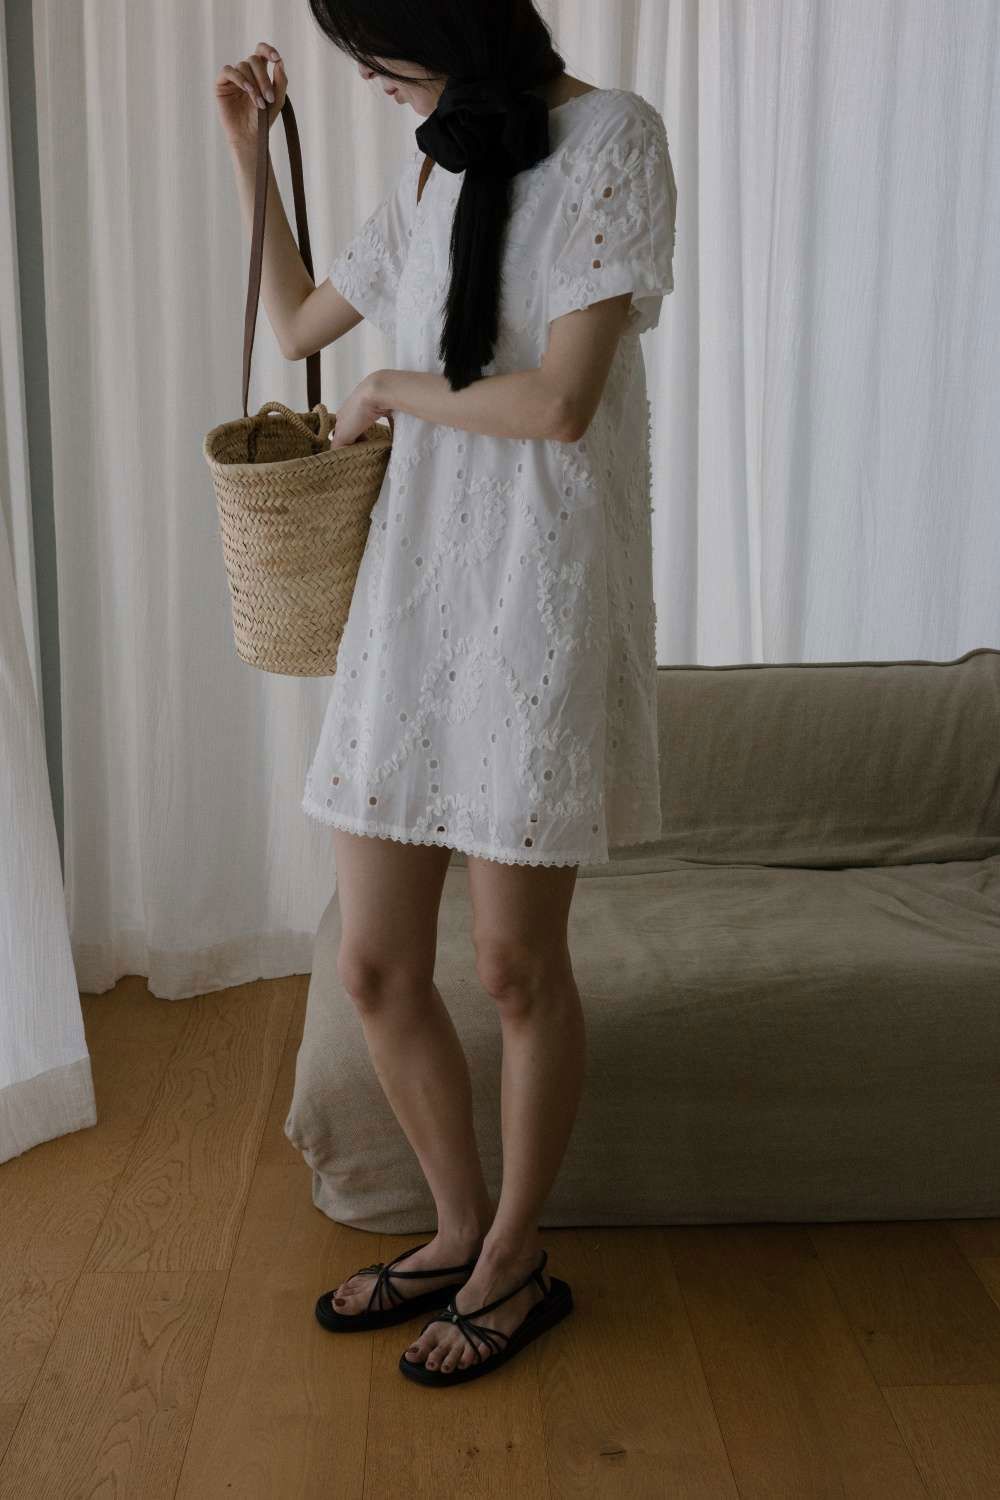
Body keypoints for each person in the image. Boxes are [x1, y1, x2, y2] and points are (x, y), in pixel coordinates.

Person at [214, 0, 677, 1388]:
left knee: (514, 968)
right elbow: (298, 320)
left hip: (535, 597)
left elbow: (561, 403)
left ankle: (516, 1261)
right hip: (410, 602)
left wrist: (395, 389)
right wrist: (251, 153)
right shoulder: (435, 158)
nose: (371, 82)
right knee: (372, 963)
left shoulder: (613, 138)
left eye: (381, 57)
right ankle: (458, 1228)